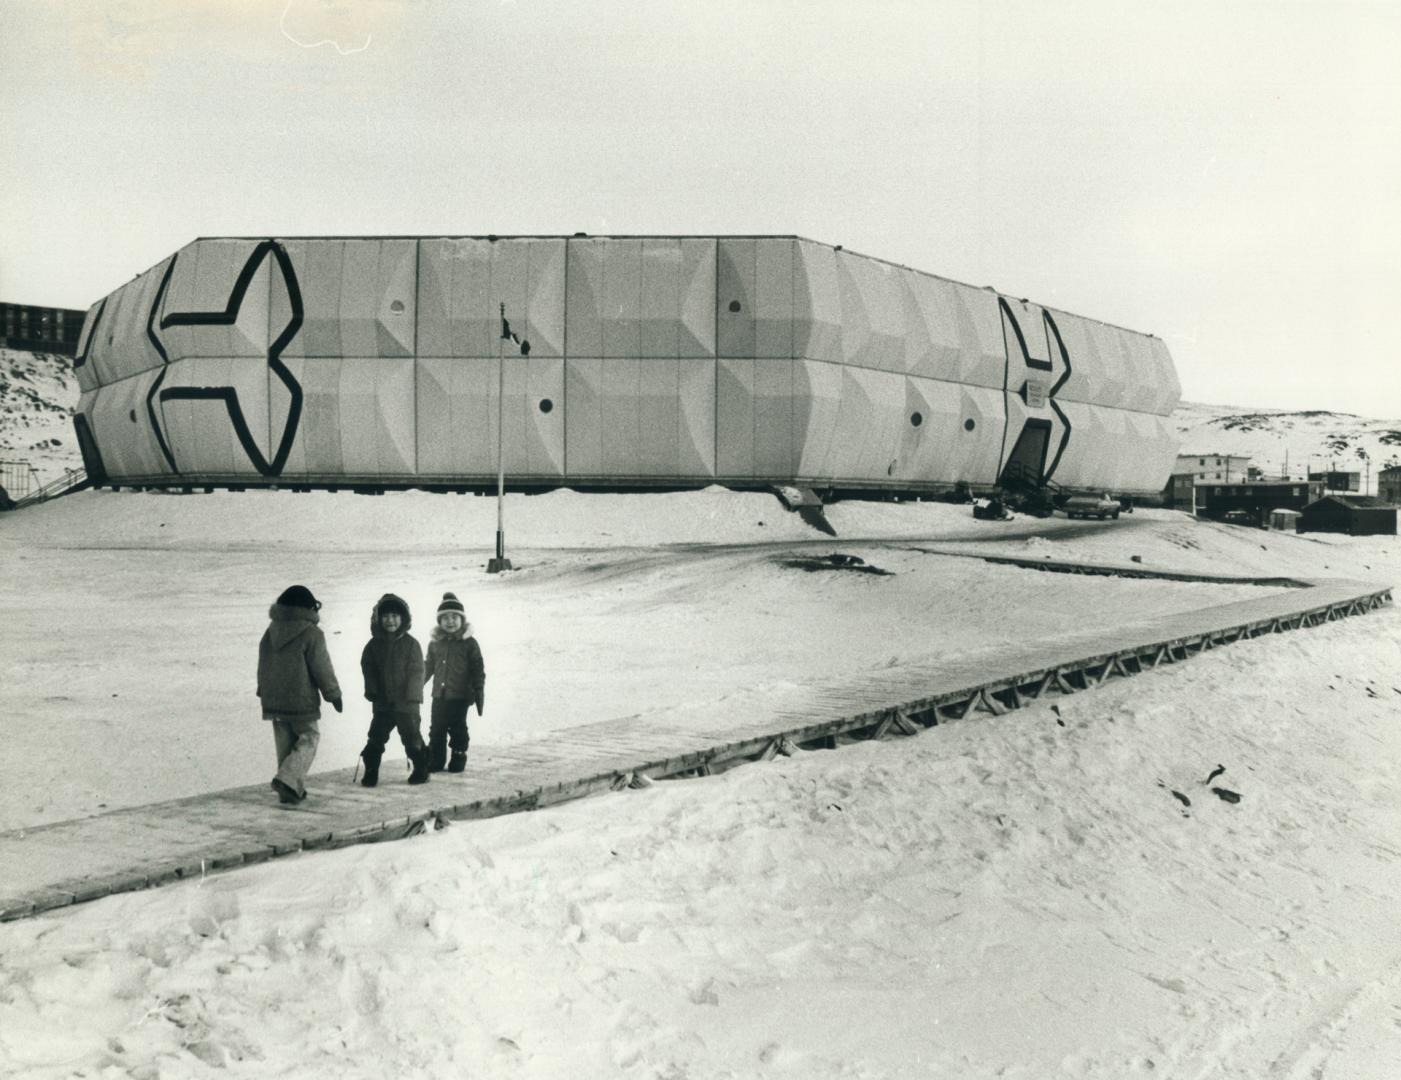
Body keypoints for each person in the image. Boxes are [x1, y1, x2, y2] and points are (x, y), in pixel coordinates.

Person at [256, 585, 342, 805]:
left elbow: (263, 663)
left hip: (273, 699)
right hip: (300, 698)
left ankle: (291, 791)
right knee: (309, 737)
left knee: (285, 745)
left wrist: (262, 690)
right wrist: (333, 694)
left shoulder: (271, 631)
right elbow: (321, 667)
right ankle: (287, 781)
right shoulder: (312, 633)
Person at [358, 593, 429, 787]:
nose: (390, 620)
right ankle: (371, 770)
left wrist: (413, 696)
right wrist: (372, 690)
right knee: (375, 738)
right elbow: (368, 668)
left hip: (407, 703)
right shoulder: (373, 646)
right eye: (386, 616)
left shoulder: (411, 644)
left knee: (411, 736)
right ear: (378, 619)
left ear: (403, 618)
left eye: (395, 616)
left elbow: (417, 671)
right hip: (382, 703)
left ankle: (421, 766)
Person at [423, 592, 485, 773]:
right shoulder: (434, 644)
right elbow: (428, 666)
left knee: (457, 727)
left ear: (462, 619)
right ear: (439, 622)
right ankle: (436, 758)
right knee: (436, 729)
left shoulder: (470, 644)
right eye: (445, 618)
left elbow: (477, 669)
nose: (450, 621)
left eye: (454, 617)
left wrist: (478, 689)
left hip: (460, 695)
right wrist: (417, 684)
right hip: (439, 695)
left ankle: (458, 755)